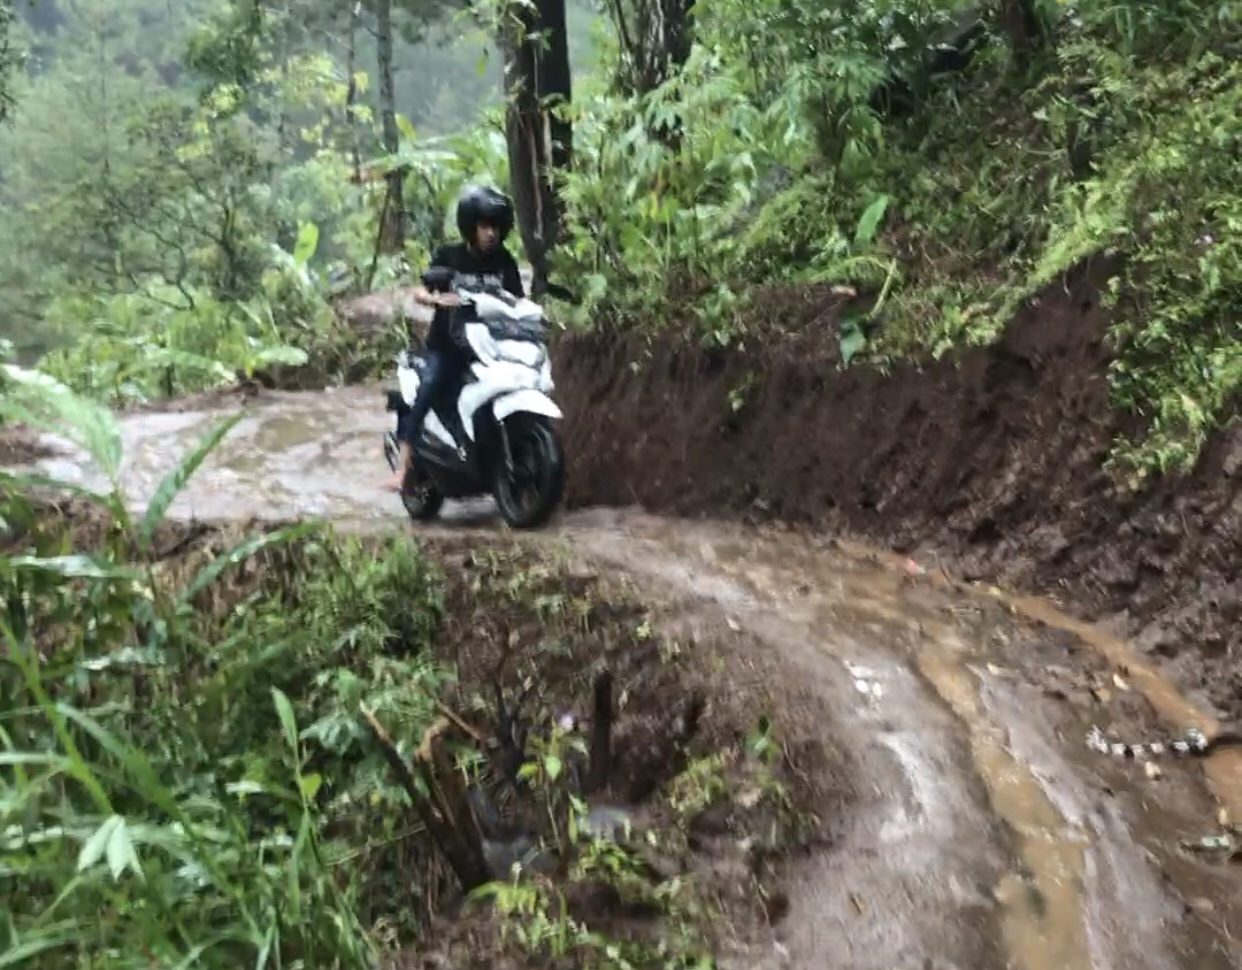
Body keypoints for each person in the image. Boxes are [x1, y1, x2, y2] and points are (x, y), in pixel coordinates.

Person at [385, 185, 525, 491]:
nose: (491, 233)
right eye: (484, 226)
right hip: (448, 346)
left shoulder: (505, 261)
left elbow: (518, 302)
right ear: (470, 227)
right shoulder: (450, 255)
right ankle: (403, 467)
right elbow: (421, 290)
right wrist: (436, 300)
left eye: (496, 227)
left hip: (491, 347)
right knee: (430, 385)